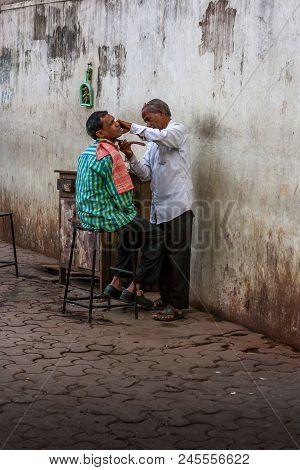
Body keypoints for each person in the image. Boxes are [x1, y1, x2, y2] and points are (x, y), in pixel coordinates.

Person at [75, 110, 164, 308]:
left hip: (86, 215)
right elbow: (122, 196)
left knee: (131, 232)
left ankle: (115, 284)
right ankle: (134, 286)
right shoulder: (111, 155)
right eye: (111, 123)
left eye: (115, 120)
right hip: (103, 216)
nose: (117, 124)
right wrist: (132, 215)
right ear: (100, 133)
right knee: (156, 236)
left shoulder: (87, 152)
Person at [118, 99, 194, 321]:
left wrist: (133, 127)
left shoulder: (177, 130)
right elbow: (146, 175)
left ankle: (178, 305)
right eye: (144, 122)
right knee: (161, 256)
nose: (148, 125)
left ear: (162, 113)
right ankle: (165, 298)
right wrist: (131, 156)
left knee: (178, 257)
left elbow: (162, 137)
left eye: (149, 120)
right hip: (159, 208)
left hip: (179, 206)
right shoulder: (152, 143)